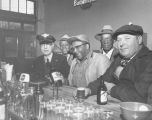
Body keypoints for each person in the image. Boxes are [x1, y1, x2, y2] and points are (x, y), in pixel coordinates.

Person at [84, 24, 152, 103]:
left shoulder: (148, 60)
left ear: (139, 39)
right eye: (119, 40)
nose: (121, 44)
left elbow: (141, 97)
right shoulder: (119, 58)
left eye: (127, 38)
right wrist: (89, 89)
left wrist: (113, 89)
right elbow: (105, 79)